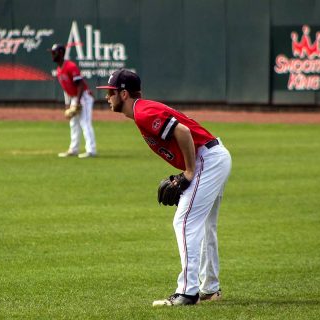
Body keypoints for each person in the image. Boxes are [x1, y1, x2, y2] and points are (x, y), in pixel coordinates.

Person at [97, 69, 232, 306]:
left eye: (111, 92)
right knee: (203, 224)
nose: (107, 97)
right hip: (213, 157)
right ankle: (209, 289)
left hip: (206, 160)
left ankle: (188, 293)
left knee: (185, 221)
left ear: (124, 94)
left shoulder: (143, 112)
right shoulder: (142, 111)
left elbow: (183, 131)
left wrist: (189, 172)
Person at [50, 43, 97, 158]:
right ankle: (73, 149)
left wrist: (77, 102)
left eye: (54, 52)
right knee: (73, 123)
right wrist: (68, 104)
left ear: (61, 53)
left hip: (83, 97)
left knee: (84, 122)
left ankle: (91, 150)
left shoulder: (70, 66)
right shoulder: (59, 69)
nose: (52, 55)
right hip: (74, 97)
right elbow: (66, 89)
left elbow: (80, 85)